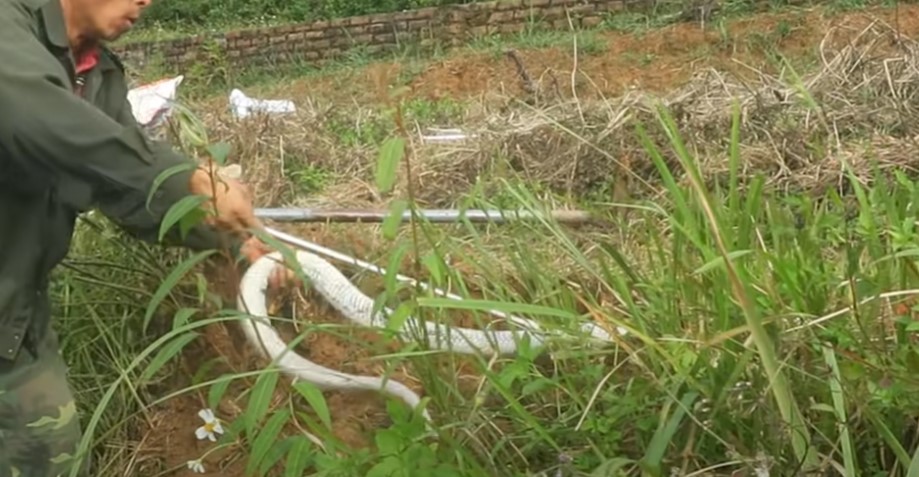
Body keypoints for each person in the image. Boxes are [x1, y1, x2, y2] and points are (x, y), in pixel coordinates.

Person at [0, 0, 292, 475]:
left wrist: (233, 239)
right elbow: (37, 117)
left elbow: (130, 191)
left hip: (18, 324)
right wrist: (187, 179)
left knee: (54, 458)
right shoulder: (8, 25)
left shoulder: (99, 75)